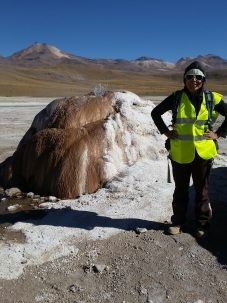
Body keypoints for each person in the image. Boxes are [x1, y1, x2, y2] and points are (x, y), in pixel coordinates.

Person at [151, 61, 227, 238]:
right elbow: (155, 113)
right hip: (180, 153)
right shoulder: (176, 97)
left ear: (203, 79)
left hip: (203, 153)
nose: (194, 80)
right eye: (190, 76)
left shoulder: (212, 98)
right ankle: (177, 222)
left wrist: (219, 134)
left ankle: (202, 224)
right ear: (184, 79)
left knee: (202, 190)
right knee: (181, 189)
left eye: (198, 76)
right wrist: (165, 132)